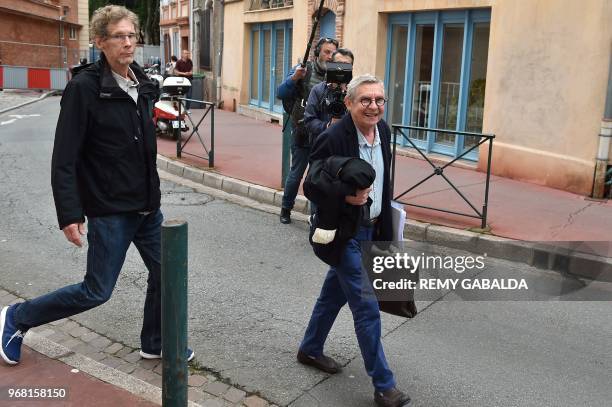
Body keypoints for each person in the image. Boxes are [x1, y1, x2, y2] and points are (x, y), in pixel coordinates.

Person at [0, 5, 194, 366]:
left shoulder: (142, 84)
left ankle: (155, 341)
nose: (127, 43)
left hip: (148, 207)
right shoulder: (84, 89)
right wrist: (70, 213)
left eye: (131, 35)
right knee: (96, 291)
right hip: (110, 210)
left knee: (169, 273)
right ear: (101, 42)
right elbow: (65, 157)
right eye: (118, 36)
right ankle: (16, 318)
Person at [297, 74, 412, 407]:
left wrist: (387, 223)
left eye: (379, 100)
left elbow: (384, 179)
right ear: (349, 103)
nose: (373, 106)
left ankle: (310, 348)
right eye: (365, 100)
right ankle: (384, 386)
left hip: (372, 227)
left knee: (334, 294)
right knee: (366, 306)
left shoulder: (384, 131)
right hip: (344, 232)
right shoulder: (334, 137)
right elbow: (312, 184)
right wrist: (346, 198)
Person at [277, 37, 338, 224]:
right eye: (326, 52)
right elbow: (280, 93)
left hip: (325, 135)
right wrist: (294, 78)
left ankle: (315, 217)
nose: (330, 56)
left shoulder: (338, 75)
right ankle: (286, 208)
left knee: (317, 177)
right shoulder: (304, 70)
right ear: (318, 52)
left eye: (333, 53)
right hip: (302, 132)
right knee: (296, 174)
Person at [304, 48, 355, 144]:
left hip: (348, 144)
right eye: (338, 64)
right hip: (323, 144)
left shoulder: (356, 91)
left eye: (346, 65)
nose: (342, 69)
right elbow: (309, 120)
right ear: (331, 65)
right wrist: (327, 126)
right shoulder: (318, 90)